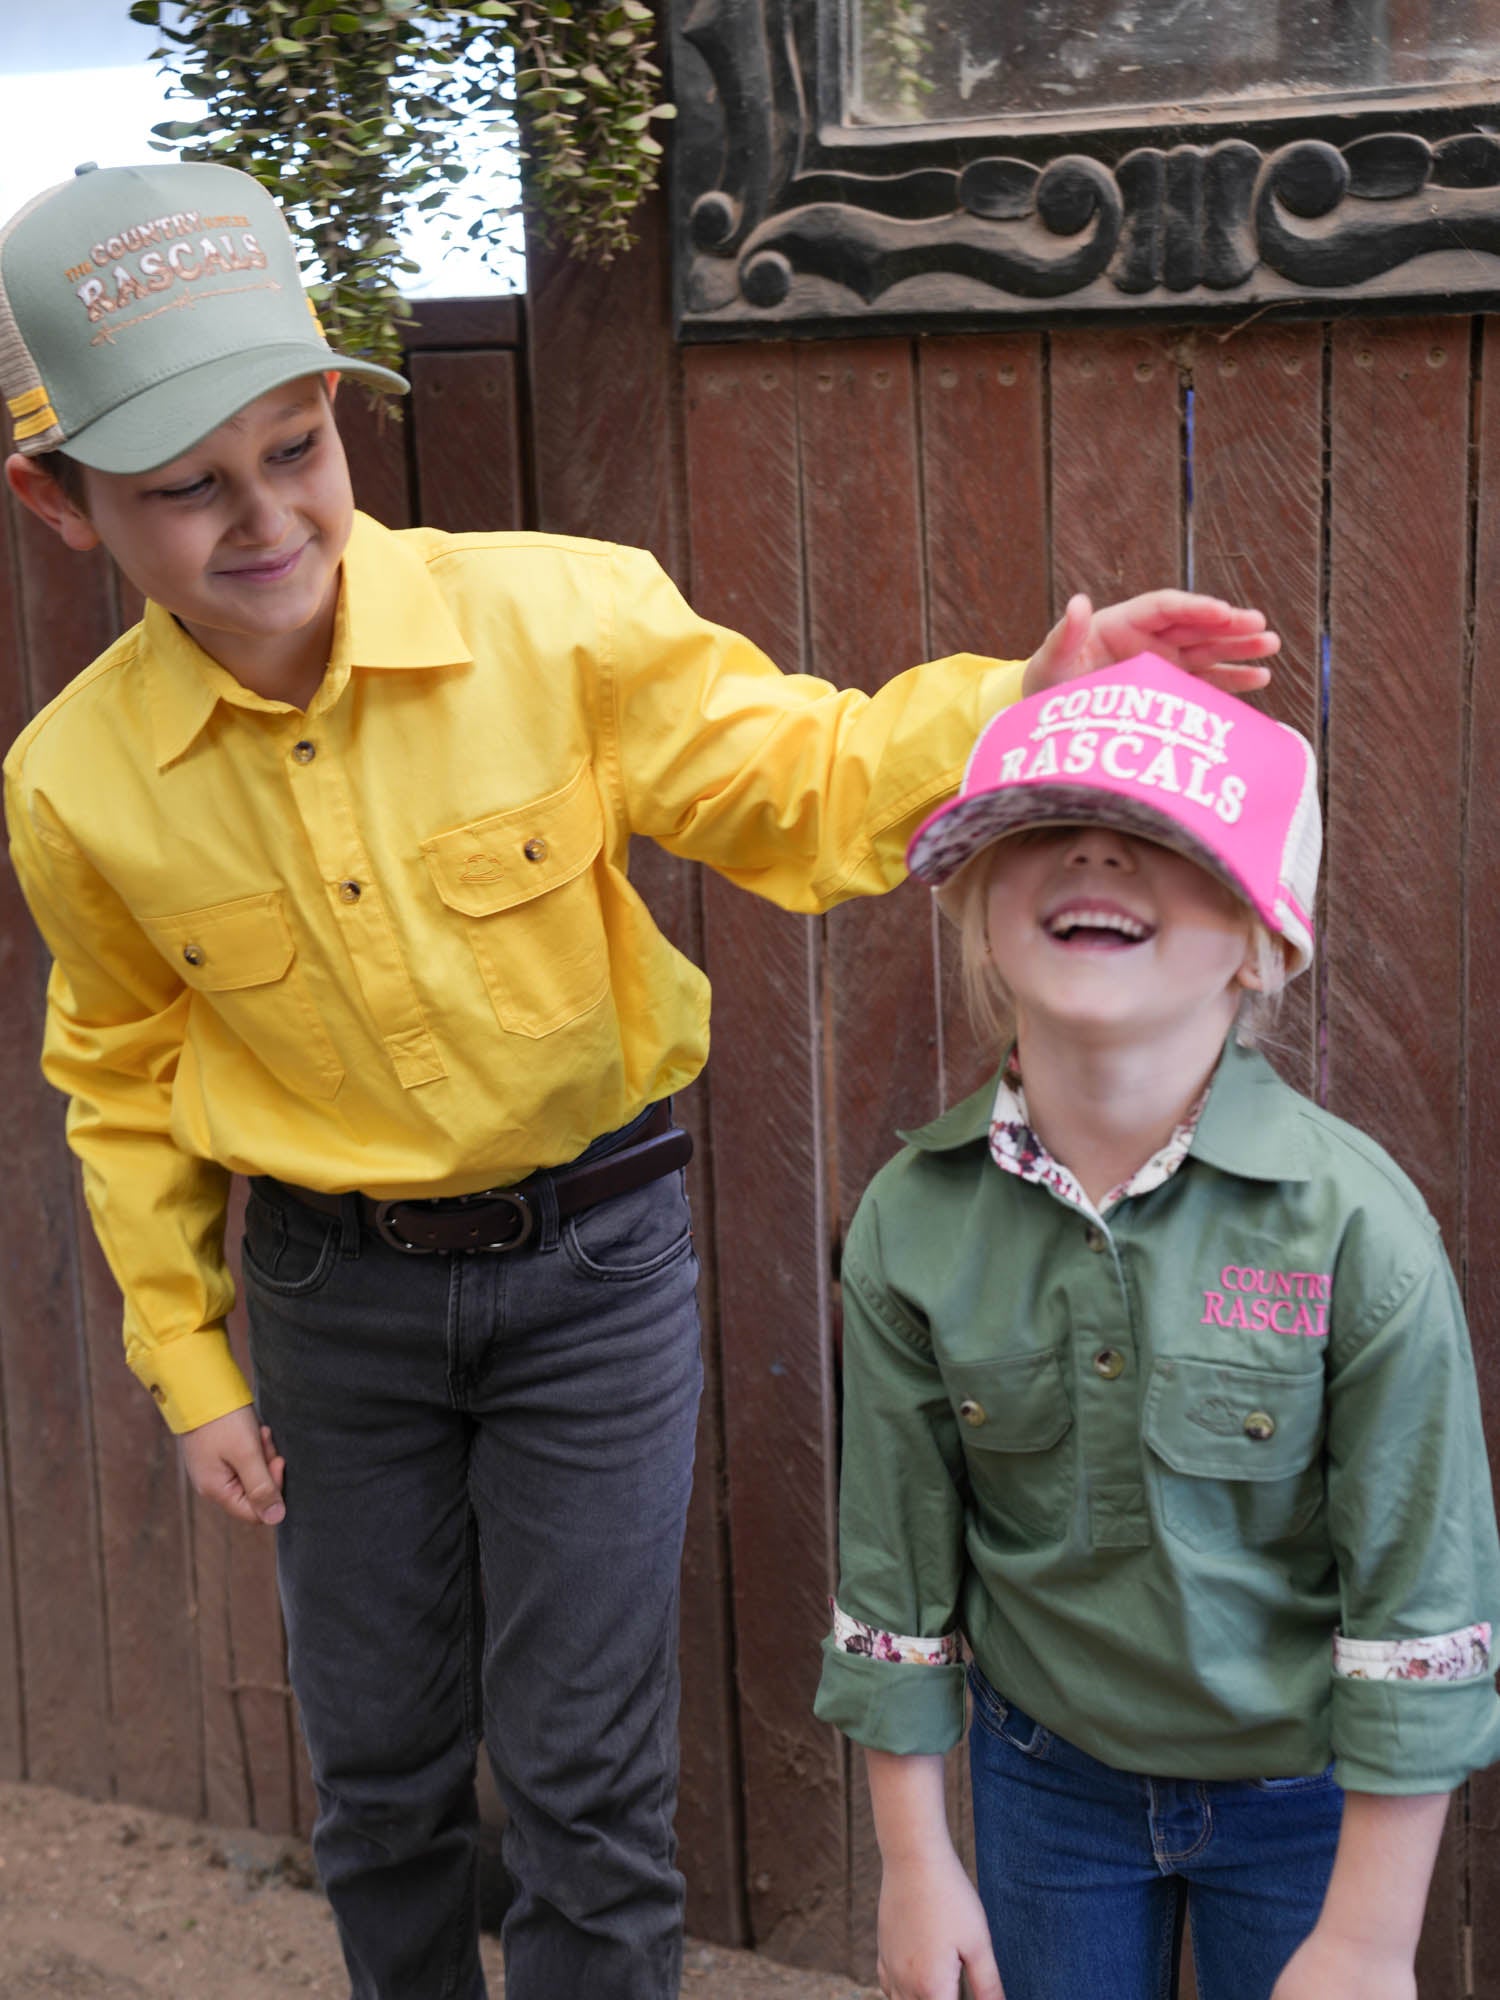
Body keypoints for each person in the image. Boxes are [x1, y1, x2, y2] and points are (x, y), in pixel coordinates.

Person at [1, 157, 1280, 2000]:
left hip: (591, 1275)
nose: (265, 516)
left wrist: (1021, 700)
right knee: (375, 1769)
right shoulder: (74, 786)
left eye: (296, 448)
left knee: (592, 1777)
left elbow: (802, 777)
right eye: (186, 488)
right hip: (329, 1303)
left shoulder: (559, 621)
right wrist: (190, 1365)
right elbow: (117, 1077)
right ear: (61, 503)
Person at [815, 653, 1500, 2000]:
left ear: (1264, 937)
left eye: (1157, 840)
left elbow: (1422, 1609)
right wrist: (913, 1857)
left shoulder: (1361, 1233)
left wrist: (1366, 1938)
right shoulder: (912, 1221)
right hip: (1043, 1793)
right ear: (979, 913)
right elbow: (892, 1577)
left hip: (1305, 1806)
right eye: (1046, 831)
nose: (1094, 857)